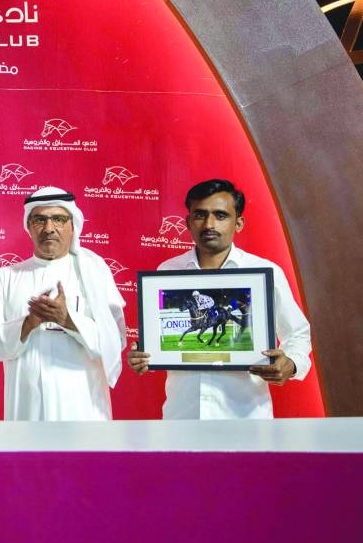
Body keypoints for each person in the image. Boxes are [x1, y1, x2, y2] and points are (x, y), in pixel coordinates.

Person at [128, 178, 312, 419]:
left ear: (239, 223)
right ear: (188, 222)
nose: (209, 224)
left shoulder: (264, 272)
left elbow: (298, 334)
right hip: (183, 416)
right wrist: (143, 354)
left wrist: (291, 364)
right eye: (200, 215)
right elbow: (158, 341)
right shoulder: (167, 273)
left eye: (221, 215)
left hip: (245, 418)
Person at [0, 187, 126, 420]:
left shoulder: (94, 273)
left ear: (73, 225)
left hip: (83, 410)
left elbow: (116, 340)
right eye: (39, 220)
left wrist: (68, 320)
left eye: (58, 219)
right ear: (28, 226)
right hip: (26, 410)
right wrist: (28, 323)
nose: (49, 228)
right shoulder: (6, 278)